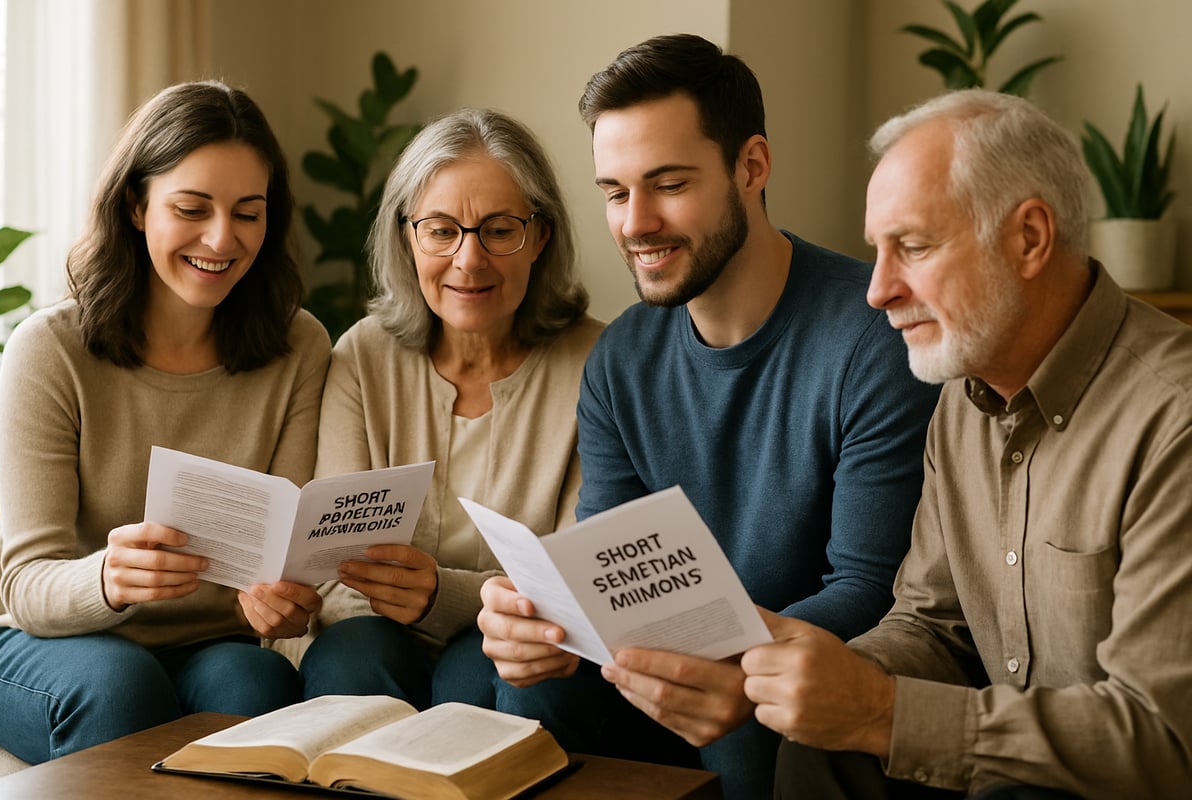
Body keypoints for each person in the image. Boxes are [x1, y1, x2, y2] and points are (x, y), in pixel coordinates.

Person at [477, 34, 940, 798]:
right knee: (531, 687)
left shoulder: (872, 337)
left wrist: (729, 659)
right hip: (669, 669)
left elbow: (869, 590)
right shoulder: (622, 357)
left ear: (752, 166)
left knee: (753, 723)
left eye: (668, 184)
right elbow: (610, 561)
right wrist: (539, 619)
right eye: (616, 191)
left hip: (796, 678)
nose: (635, 222)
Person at [741, 88, 1192, 799]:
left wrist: (882, 713)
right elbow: (932, 624)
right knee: (816, 746)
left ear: (1029, 239)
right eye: (877, 253)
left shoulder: (1175, 421)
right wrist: (827, 672)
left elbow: (1161, 740)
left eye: (912, 247)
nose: (878, 290)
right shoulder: (962, 399)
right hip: (1008, 772)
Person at [0, 80, 332, 763]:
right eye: (192, 207)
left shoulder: (299, 347)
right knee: (121, 683)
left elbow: (286, 561)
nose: (221, 238)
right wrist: (109, 581)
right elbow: (25, 582)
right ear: (136, 203)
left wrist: (286, 603)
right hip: (55, 641)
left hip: (213, 644)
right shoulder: (50, 349)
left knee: (257, 682)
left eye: (248, 213)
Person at [293, 108, 602, 710]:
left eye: (499, 229)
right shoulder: (362, 355)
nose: (469, 259)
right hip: (373, 632)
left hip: (526, 639)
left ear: (540, 237)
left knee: (483, 675)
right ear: (408, 238)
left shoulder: (597, 363)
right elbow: (334, 568)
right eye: (440, 230)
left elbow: (576, 581)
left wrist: (447, 596)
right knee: (350, 657)